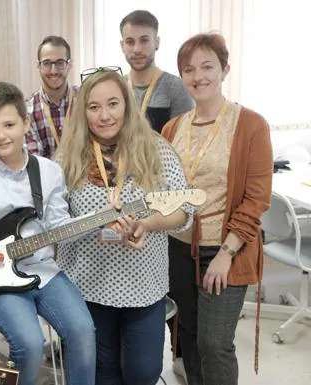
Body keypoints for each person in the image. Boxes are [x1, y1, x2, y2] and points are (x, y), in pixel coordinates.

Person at [0, 82, 96, 385]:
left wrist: (96, 223)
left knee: (83, 331)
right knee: (30, 345)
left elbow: (59, 226)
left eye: (9, 124)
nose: (1, 135)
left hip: (43, 269)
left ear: (26, 123)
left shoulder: (48, 171)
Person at [56, 68, 194, 385]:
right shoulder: (68, 156)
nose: (104, 115)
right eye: (93, 107)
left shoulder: (156, 150)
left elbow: (183, 210)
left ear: (127, 105)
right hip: (86, 283)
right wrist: (90, 223)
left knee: (143, 371)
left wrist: (148, 223)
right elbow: (55, 221)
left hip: (144, 285)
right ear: (83, 112)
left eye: (113, 104)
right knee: (103, 371)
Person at [161, 33, 272, 385]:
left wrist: (227, 252)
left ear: (225, 69)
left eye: (207, 66)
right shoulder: (172, 128)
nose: (199, 76)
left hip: (225, 249)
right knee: (189, 338)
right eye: (189, 69)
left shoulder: (251, 125)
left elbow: (256, 200)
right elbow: (163, 189)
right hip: (178, 248)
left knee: (215, 343)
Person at [120, 10, 194, 133]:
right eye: (130, 42)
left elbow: (182, 141)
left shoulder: (177, 88)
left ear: (157, 42)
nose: (137, 49)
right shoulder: (115, 87)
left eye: (144, 40)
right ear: (122, 46)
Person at [25, 35, 79, 159]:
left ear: (69, 65)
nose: (53, 71)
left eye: (60, 63)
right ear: (38, 66)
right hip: (46, 178)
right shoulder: (27, 110)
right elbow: (34, 162)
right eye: (47, 63)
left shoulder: (86, 101)